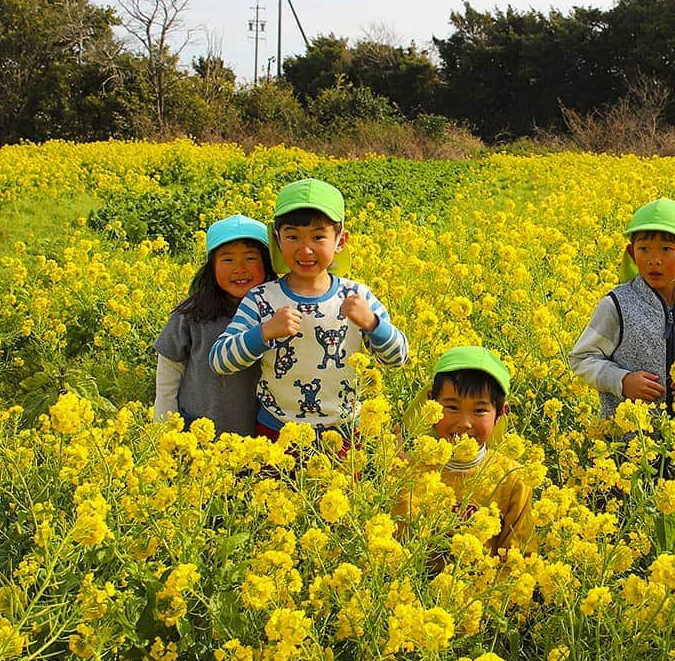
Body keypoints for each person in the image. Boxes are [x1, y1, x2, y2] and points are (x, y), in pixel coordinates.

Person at [209, 178, 408, 444]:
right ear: (277, 240)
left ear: (340, 241)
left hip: (344, 432)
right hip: (277, 430)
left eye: (318, 237)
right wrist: (265, 332)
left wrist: (373, 324)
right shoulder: (261, 298)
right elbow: (219, 361)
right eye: (292, 236)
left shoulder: (358, 297)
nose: (305, 249)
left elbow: (398, 358)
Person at [569, 198, 675, 422]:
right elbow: (582, 358)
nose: (654, 259)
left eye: (667, 249)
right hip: (627, 440)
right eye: (644, 249)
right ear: (632, 253)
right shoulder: (617, 304)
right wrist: (622, 381)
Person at [400, 346, 534, 557]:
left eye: (479, 410)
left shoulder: (514, 480)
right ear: (431, 403)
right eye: (452, 407)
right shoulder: (410, 470)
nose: (464, 423)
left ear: (500, 413)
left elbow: (517, 561)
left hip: (484, 587)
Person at [154, 214, 275, 435]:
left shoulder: (276, 309)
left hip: (257, 436)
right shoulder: (192, 313)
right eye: (227, 260)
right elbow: (169, 372)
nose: (239, 268)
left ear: (267, 264)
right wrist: (164, 426)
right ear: (211, 267)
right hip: (195, 434)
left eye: (250, 258)